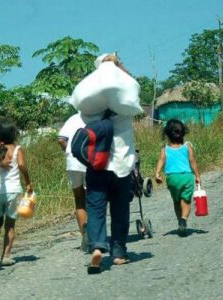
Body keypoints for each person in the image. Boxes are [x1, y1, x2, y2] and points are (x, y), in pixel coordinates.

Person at [84, 53, 139, 274]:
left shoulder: (91, 102)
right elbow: (134, 87)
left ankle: (97, 245)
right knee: (120, 208)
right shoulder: (124, 102)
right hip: (122, 164)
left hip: (96, 163)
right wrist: (119, 67)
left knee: (95, 208)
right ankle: (119, 252)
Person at [0, 117, 33, 266]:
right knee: (10, 225)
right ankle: (6, 255)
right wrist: (28, 182)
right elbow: (22, 165)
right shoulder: (17, 149)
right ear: (14, 134)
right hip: (13, 191)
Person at [155, 119, 201, 237]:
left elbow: (161, 160)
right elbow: (192, 161)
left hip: (172, 179)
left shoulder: (165, 148)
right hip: (186, 177)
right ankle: (183, 219)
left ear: (167, 134)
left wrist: (157, 173)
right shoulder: (187, 146)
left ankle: (179, 221)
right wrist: (197, 175)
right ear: (183, 133)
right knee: (185, 201)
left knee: (176, 201)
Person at [57, 112, 88, 252]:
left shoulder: (73, 118)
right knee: (93, 199)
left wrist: (70, 151)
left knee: (79, 199)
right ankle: (94, 234)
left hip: (73, 163)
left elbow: (61, 139)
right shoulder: (96, 115)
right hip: (90, 162)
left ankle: (85, 236)